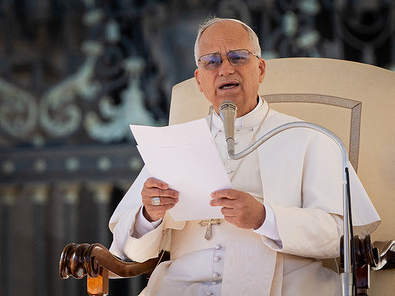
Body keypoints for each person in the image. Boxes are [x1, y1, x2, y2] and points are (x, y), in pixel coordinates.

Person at [109, 17, 380, 296]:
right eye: (211, 62)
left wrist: (265, 218)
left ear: (260, 69)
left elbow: (341, 235)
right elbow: (131, 253)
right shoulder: (173, 145)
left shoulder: (309, 137)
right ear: (199, 81)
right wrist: (149, 215)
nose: (225, 69)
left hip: (284, 287)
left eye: (237, 57)